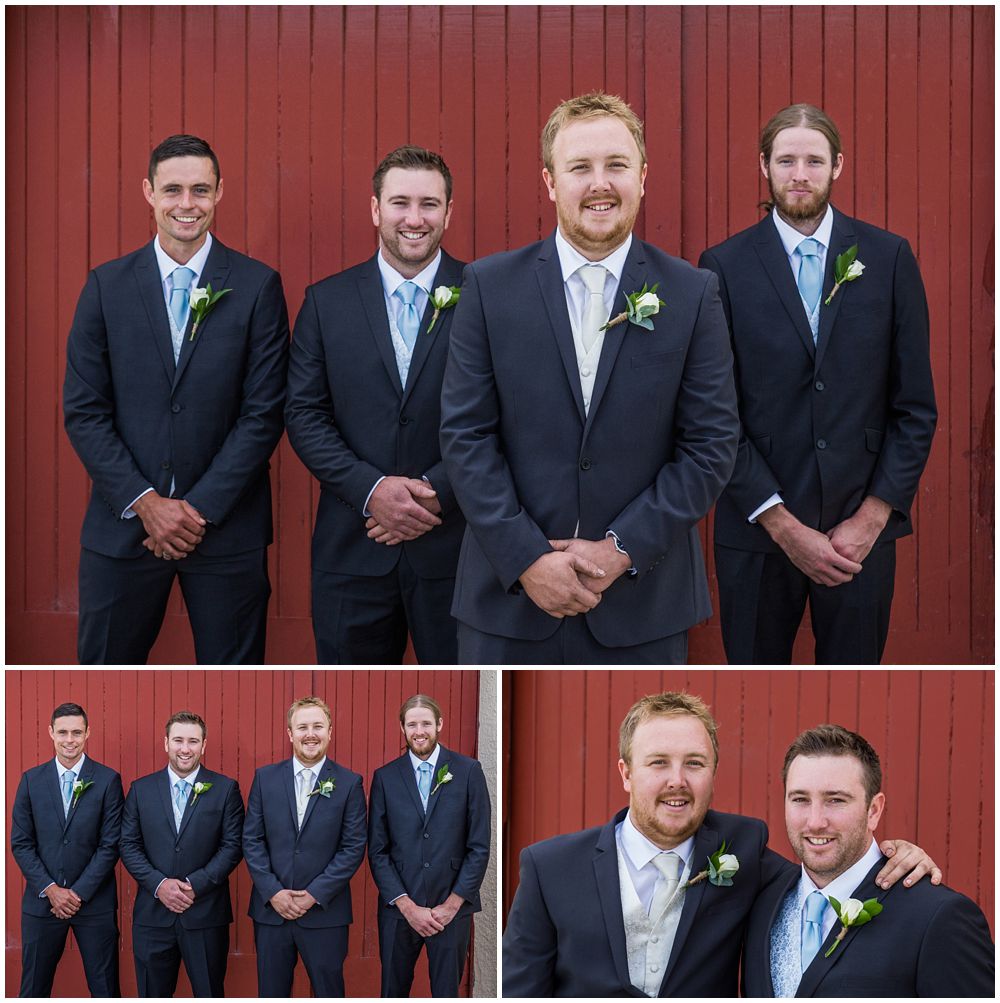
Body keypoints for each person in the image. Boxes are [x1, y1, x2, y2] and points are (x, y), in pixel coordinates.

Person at [440, 92, 739, 664]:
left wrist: (620, 550)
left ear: (643, 177)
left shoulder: (692, 293)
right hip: (508, 602)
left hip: (643, 604)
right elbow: (465, 436)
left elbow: (710, 445)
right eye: (580, 167)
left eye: (616, 165)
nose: (599, 183)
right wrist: (527, 558)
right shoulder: (488, 287)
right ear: (550, 182)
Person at [502, 692, 941, 997]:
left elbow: (824, 873)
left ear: (713, 772)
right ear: (626, 772)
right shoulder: (549, 867)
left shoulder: (743, 847)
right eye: (658, 763)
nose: (678, 780)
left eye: (695, 763)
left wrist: (892, 851)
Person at [699, 104, 937, 664]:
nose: (799, 174)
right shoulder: (723, 266)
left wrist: (872, 516)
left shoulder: (889, 258)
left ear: (838, 166)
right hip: (758, 532)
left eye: (813, 160)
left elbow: (915, 407)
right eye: (786, 160)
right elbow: (714, 410)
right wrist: (781, 523)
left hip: (860, 535)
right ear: (764, 167)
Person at [63, 133, 289, 664]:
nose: (187, 204)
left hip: (227, 531)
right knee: (105, 669)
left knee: (236, 671)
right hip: (123, 529)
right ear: (148, 192)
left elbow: (264, 412)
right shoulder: (106, 286)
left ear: (219, 192)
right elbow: (85, 410)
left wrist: (196, 509)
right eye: (173, 190)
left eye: (200, 190)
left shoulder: (258, 287)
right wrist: (147, 504)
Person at [286, 145, 466, 663]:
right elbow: (304, 413)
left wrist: (437, 492)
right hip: (352, 550)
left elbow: (502, 417)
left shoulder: (484, 295)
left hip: (454, 550)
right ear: (375, 209)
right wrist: (372, 490)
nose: (414, 219)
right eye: (400, 203)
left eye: (429, 204)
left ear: (449, 211)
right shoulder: (326, 302)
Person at [742, 724, 994, 996]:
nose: (815, 822)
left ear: (873, 810)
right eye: (800, 799)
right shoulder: (761, 899)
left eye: (835, 800)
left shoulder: (939, 917)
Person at [242, 696, 367, 997]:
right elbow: (252, 839)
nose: (310, 734)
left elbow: (352, 847)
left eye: (317, 726)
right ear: (290, 733)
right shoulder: (265, 778)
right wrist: (273, 892)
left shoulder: (349, 784)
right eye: (302, 727)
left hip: (325, 913)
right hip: (272, 912)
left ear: (330, 731)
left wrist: (313, 895)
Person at [368, 694, 491, 996]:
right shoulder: (385, 777)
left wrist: (451, 905)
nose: (419, 731)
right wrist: (406, 906)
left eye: (425, 723)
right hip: (399, 911)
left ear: (439, 724)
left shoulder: (467, 771)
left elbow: (479, 846)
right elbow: (378, 850)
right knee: (392, 991)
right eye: (412, 724)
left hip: (450, 911)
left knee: (447, 993)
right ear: (402, 728)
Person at [119, 710, 244, 996]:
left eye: (193, 741)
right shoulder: (141, 790)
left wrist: (195, 885)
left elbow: (232, 845)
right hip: (153, 917)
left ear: (204, 745)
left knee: (209, 993)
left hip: (205, 914)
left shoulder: (225, 789)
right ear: (165, 743)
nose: (185, 749)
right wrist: (159, 885)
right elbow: (128, 844)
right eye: (178, 740)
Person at [11, 703, 125, 997]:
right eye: (63, 732)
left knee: (105, 988)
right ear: (51, 733)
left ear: (88, 734)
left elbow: (110, 844)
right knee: (33, 988)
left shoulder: (108, 780)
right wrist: (51, 889)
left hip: (94, 903)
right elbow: (21, 843)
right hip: (42, 903)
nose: (69, 739)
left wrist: (77, 893)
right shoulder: (30, 780)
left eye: (76, 732)